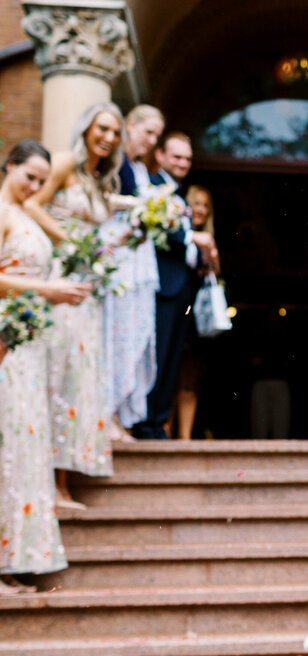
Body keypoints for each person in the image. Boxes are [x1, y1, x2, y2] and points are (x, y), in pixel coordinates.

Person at [0, 139, 92, 592]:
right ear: (9, 167)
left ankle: (12, 558)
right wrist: (47, 292)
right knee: (7, 445)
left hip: (30, 345)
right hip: (6, 343)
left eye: (42, 180)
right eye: (29, 177)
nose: (35, 186)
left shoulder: (24, 215)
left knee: (23, 448)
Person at [25, 102, 122, 505]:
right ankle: (47, 481)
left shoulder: (101, 180)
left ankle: (62, 480)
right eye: (102, 128)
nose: (108, 137)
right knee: (56, 375)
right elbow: (31, 204)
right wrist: (74, 242)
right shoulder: (63, 163)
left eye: (115, 133)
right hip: (60, 282)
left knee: (77, 380)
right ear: (86, 128)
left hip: (87, 292)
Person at [131, 132, 211, 439]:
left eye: (188, 158)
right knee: (157, 353)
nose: (183, 163)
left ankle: (157, 421)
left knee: (171, 355)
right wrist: (192, 238)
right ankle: (146, 421)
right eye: (177, 157)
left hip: (181, 288)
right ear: (161, 155)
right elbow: (155, 227)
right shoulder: (151, 187)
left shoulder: (179, 195)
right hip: (161, 287)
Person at [104, 104, 165, 441]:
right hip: (117, 255)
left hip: (140, 257)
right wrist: (140, 207)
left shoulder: (141, 170)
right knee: (117, 333)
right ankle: (110, 414)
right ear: (130, 125)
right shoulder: (114, 164)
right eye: (148, 132)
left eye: (157, 136)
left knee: (138, 336)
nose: (152, 141)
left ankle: (124, 416)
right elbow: (100, 200)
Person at [172, 184, 221, 439]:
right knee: (168, 372)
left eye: (205, 205)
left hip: (196, 319)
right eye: (196, 204)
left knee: (190, 379)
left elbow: (216, 276)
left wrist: (210, 255)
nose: (200, 210)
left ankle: (185, 437)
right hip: (174, 311)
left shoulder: (209, 241)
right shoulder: (176, 237)